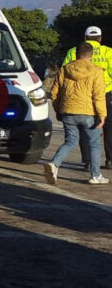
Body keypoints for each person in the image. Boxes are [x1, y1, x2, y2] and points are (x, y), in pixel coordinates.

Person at [44, 42, 108, 185]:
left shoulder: (64, 69)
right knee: (94, 144)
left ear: (76, 54)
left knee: (71, 141)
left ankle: (54, 164)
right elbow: (98, 95)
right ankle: (95, 175)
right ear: (91, 55)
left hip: (68, 111)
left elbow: (54, 93)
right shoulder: (97, 71)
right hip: (88, 113)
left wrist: (58, 110)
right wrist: (102, 115)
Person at [62, 26, 112, 168]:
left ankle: (88, 161)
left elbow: (64, 73)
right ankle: (110, 160)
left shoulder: (73, 52)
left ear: (85, 38)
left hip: (82, 95)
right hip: (106, 92)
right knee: (109, 127)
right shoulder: (109, 52)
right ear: (100, 38)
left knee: (85, 128)